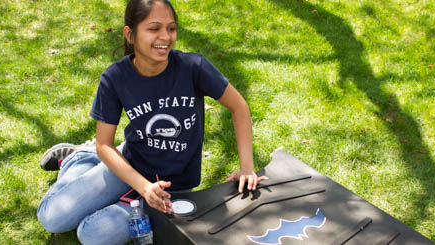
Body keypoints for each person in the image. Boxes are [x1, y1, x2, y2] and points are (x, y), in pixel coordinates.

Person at [36, 0, 268, 244]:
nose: (165, 37)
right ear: (130, 34)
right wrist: (143, 187)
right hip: (129, 165)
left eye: (171, 28)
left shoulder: (193, 67)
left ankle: (111, 187)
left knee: (93, 235)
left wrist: (247, 167)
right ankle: (81, 158)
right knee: (52, 218)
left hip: (173, 187)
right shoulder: (115, 78)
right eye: (154, 28)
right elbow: (105, 145)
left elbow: (239, 107)